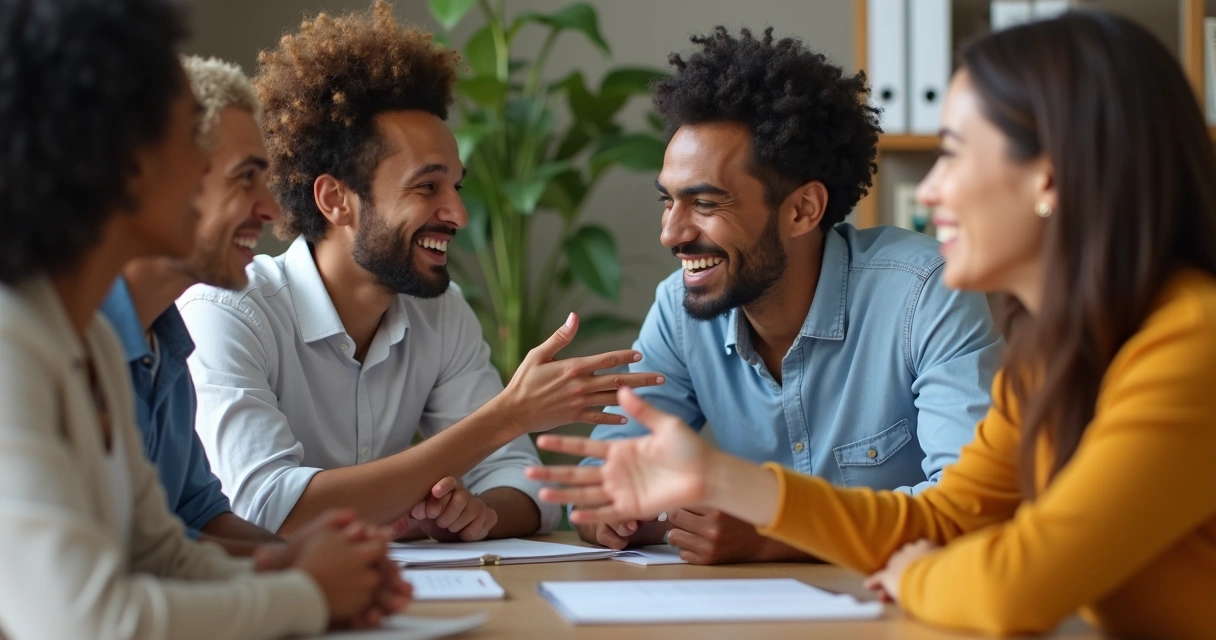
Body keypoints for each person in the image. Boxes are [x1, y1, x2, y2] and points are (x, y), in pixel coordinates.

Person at [530, 11, 1216, 639]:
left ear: (1048, 180)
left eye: (954, 152)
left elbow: (1015, 586)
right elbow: (948, 521)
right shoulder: (1054, 350)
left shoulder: (1193, 346)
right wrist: (710, 476)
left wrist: (911, 573)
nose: (934, 188)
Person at [178, 0, 663, 539]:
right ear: (336, 200)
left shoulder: (440, 312)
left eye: (456, 185)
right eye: (426, 186)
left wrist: (477, 515)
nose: (457, 213)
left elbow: (528, 488)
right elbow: (268, 509)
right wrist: (507, 416)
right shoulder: (227, 311)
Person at [0, 1, 410, 638]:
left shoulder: (91, 346)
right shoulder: (13, 342)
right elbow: (87, 621)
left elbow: (159, 552)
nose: (198, 170)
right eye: (183, 140)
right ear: (123, 161)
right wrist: (305, 593)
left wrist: (291, 568)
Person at [574, 26, 1002, 564]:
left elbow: (973, 508)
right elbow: (600, 481)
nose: (671, 233)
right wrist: (619, 513)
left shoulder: (927, 293)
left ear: (803, 210)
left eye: (705, 204)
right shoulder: (680, 310)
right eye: (669, 201)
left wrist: (774, 534)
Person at [100, 55, 283, 556]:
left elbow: (197, 518)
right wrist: (304, 577)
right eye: (246, 177)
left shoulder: (170, 347)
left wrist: (308, 564)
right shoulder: (62, 342)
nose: (271, 209)